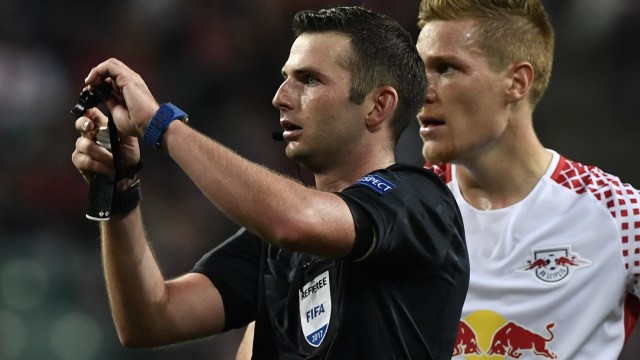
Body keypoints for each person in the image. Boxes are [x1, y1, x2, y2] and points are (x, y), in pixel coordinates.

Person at [71, 6, 470, 359]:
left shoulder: (419, 202)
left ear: (378, 105)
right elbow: (151, 319)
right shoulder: (273, 250)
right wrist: (119, 189)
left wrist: (161, 125)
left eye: (309, 80)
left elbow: (295, 221)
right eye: (285, 78)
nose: (281, 96)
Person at [413, 0, 640, 359]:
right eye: (417, 69)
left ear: (517, 83)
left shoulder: (621, 215)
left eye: (446, 68)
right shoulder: (404, 209)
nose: (420, 90)